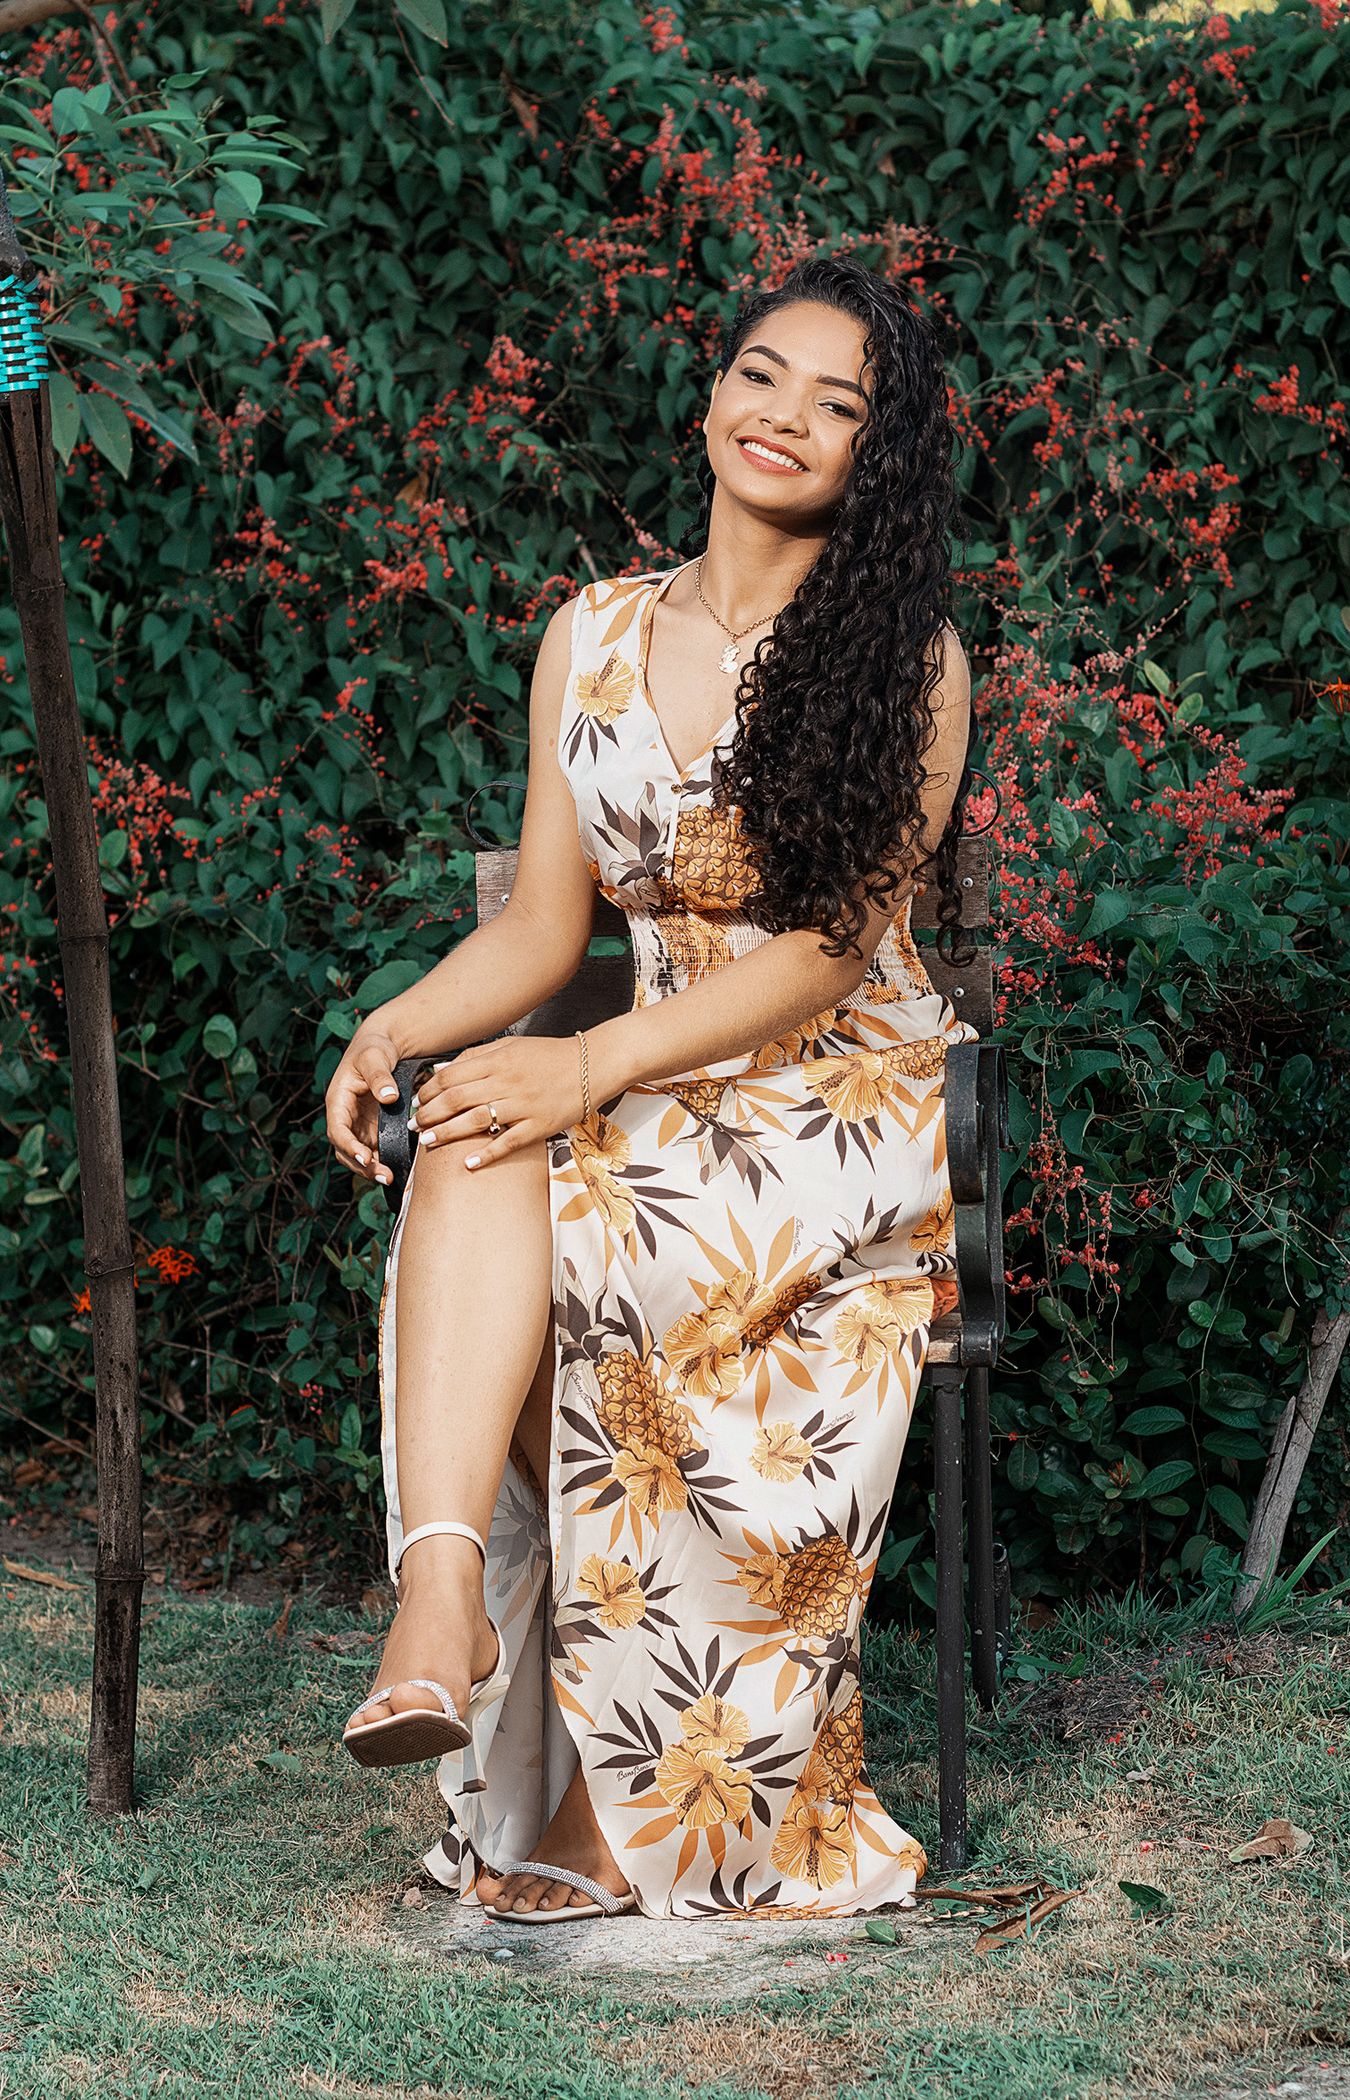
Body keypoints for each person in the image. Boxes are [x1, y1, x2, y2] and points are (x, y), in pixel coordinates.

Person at [323, 255, 979, 1924]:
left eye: (840, 405)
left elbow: (831, 952)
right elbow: (545, 930)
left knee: (567, 1159)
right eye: (764, 375)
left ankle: (631, 1806)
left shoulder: (907, 657)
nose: (787, 417)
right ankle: (440, 1603)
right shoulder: (592, 635)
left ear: (877, 458)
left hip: (832, 1100)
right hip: (650, 1087)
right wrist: (398, 1027)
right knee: (472, 1120)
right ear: (709, 399)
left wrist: (587, 1063)